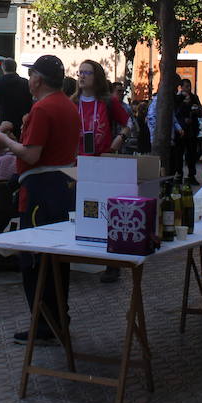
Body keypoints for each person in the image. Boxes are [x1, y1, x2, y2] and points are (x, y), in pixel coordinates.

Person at [0, 55, 80, 345]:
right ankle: (59, 319)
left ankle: (43, 325)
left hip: (41, 190)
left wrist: (5, 141)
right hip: (63, 187)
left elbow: (31, 155)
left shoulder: (43, 108)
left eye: (32, 76)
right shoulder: (67, 105)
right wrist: (19, 135)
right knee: (57, 258)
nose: (29, 80)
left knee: (35, 260)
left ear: (38, 79)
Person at [72, 60, 132, 283]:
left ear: (96, 76)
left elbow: (128, 123)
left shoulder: (108, 101)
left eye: (87, 73)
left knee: (106, 213)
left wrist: (120, 138)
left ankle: (112, 264)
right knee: (83, 210)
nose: (82, 76)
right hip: (79, 164)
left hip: (103, 162)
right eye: (80, 72)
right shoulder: (73, 102)